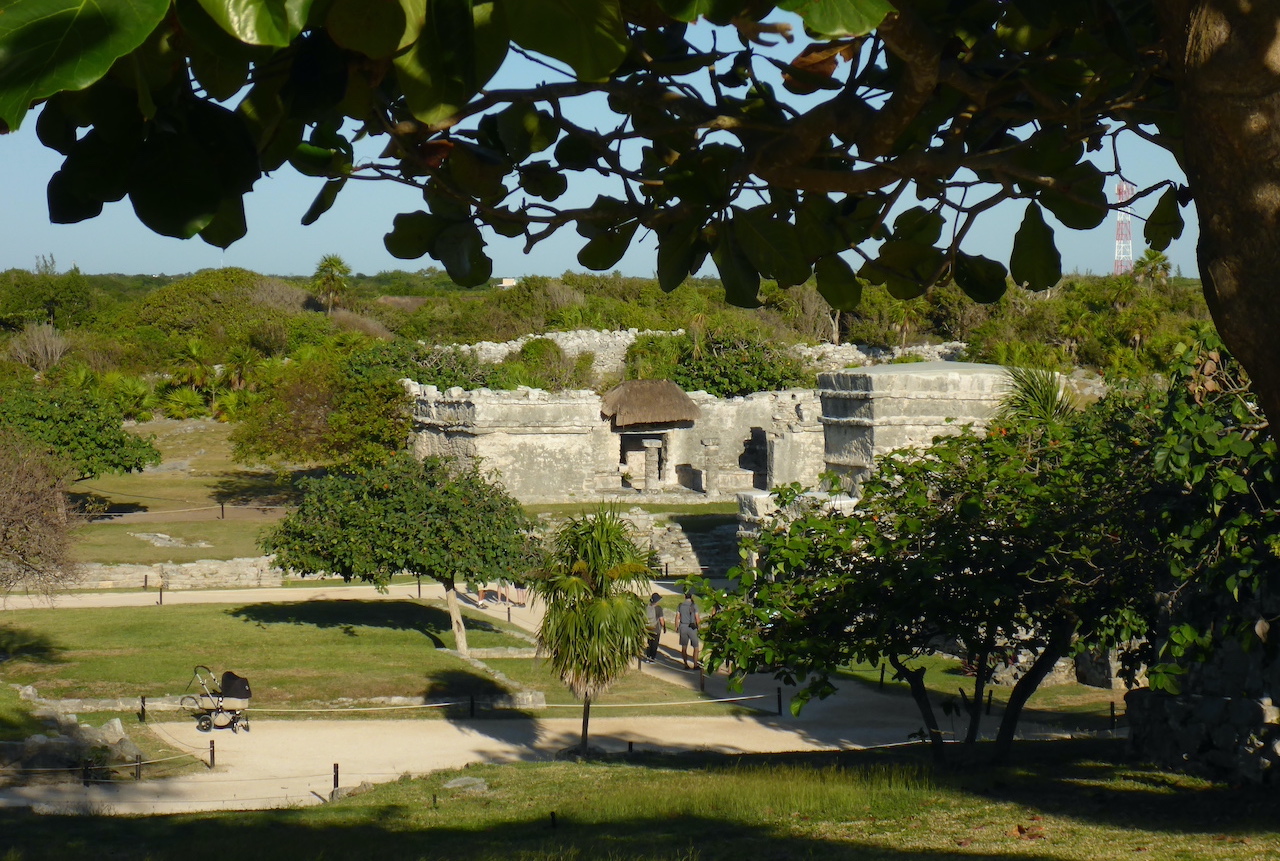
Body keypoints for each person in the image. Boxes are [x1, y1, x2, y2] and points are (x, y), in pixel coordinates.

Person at [677, 591, 701, 669]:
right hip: (692, 627)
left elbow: (677, 617)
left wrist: (676, 627)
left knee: (684, 647)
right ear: (692, 596)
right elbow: (697, 618)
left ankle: (685, 664)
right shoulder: (694, 606)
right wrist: (699, 627)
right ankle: (695, 664)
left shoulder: (680, 605)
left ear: (685, 596)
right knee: (696, 647)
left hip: (683, 626)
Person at [644, 592, 665, 663]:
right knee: (654, 644)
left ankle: (648, 657)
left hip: (648, 627)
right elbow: (661, 620)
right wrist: (664, 627)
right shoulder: (659, 609)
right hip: (656, 629)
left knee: (649, 643)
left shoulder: (647, 607)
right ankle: (652, 658)